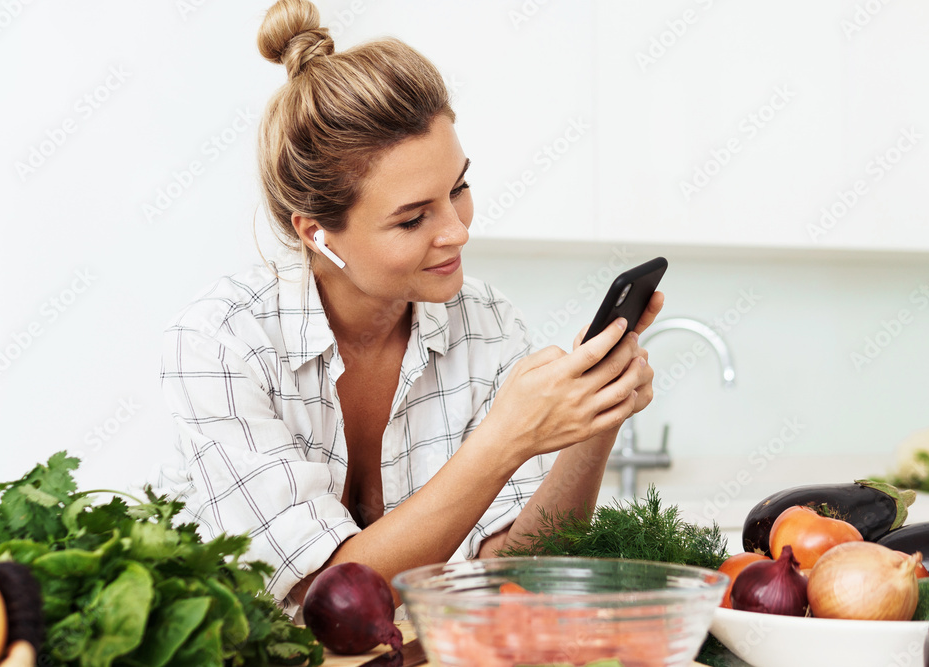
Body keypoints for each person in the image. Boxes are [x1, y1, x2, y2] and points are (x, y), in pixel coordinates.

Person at [160, 0, 663, 615]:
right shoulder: (221, 343)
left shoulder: (486, 323)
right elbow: (327, 600)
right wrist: (504, 439)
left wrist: (595, 418)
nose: (457, 231)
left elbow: (509, 578)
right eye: (413, 218)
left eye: (459, 189)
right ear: (317, 233)